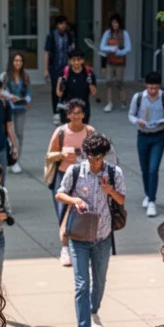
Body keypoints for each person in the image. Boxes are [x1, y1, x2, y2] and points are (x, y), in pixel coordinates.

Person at [54, 131, 125, 327]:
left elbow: (122, 200)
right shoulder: (75, 171)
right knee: (82, 284)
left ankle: (93, 310)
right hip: (79, 237)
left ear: (103, 156)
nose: (92, 161)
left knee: (100, 281)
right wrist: (74, 199)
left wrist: (109, 190)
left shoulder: (114, 173)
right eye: (89, 157)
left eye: (97, 157)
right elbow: (60, 194)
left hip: (103, 236)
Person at [44, 100, 98, 267]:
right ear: (67, 115)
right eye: (73, 113)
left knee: (86, 210)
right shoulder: (60, 132)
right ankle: (65, 247)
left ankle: (86, 244)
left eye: (79, 113)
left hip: (85, 175)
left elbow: (98, 153)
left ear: (84, 114)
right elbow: (49, 155)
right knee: (63, 213)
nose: (76, 116)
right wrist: (61, 154)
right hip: (63, 175)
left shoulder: (90, 131)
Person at [129, 70, 164, 219]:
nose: (152, 91)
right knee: (145, 168)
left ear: (159, 86)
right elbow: (131, 115)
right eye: (150, 88)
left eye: (155, 88)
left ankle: (152, 200)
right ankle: (148, 194)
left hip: (158, 136)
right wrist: (137, 121)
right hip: (143, 135)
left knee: (154, 168)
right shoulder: (139, 97)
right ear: (146, 85)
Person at [1, 52, 33, 174]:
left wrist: (27, 99)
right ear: (11, 62)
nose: (18, 63)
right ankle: (10, 159)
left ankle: (16, 160)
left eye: (20, 61)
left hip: (21, 108)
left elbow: (29, 92)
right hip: (8, 108)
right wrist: (10, 96)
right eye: (16, 61)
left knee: (20, 134)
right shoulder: (5, 76)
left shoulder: (25, 76)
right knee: (10, 134)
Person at [99, 14, 133, 113]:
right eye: (113, 23)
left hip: (120, 62)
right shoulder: (107, 33)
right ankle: (109, 103)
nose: (115, 25)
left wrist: (118, 52)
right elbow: (102, 46)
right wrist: (111, 49)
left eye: (116, 23)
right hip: (110, 61)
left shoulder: (124, 33)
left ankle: (123, 100)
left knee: (119, 81)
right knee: (108, 81)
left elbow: (128, 48)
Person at [54, 50, 97, 123]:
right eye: (73, 60)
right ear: (69, 61)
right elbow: (58, 93)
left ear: (83, 60)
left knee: (83, 132)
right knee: (69, 133)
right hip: (68, 109)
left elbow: (94, 92)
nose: (76, 62)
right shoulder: (64, 72)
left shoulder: (88, 72)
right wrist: (62, 85)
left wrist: (90, 83)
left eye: (79, 59)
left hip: (83, 108)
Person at [45, 14, 78, 90]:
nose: (63, 26)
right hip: (54, 67)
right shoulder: (51, 35)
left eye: (65, 24)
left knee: (66, 87)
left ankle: (64, 101)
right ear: (57, 25)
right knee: (55, 88)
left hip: (66, 66)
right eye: (61, 24)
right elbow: (47, 52)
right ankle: (56, 102)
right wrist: (46, 70)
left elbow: (72, 49)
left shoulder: (68, 34)